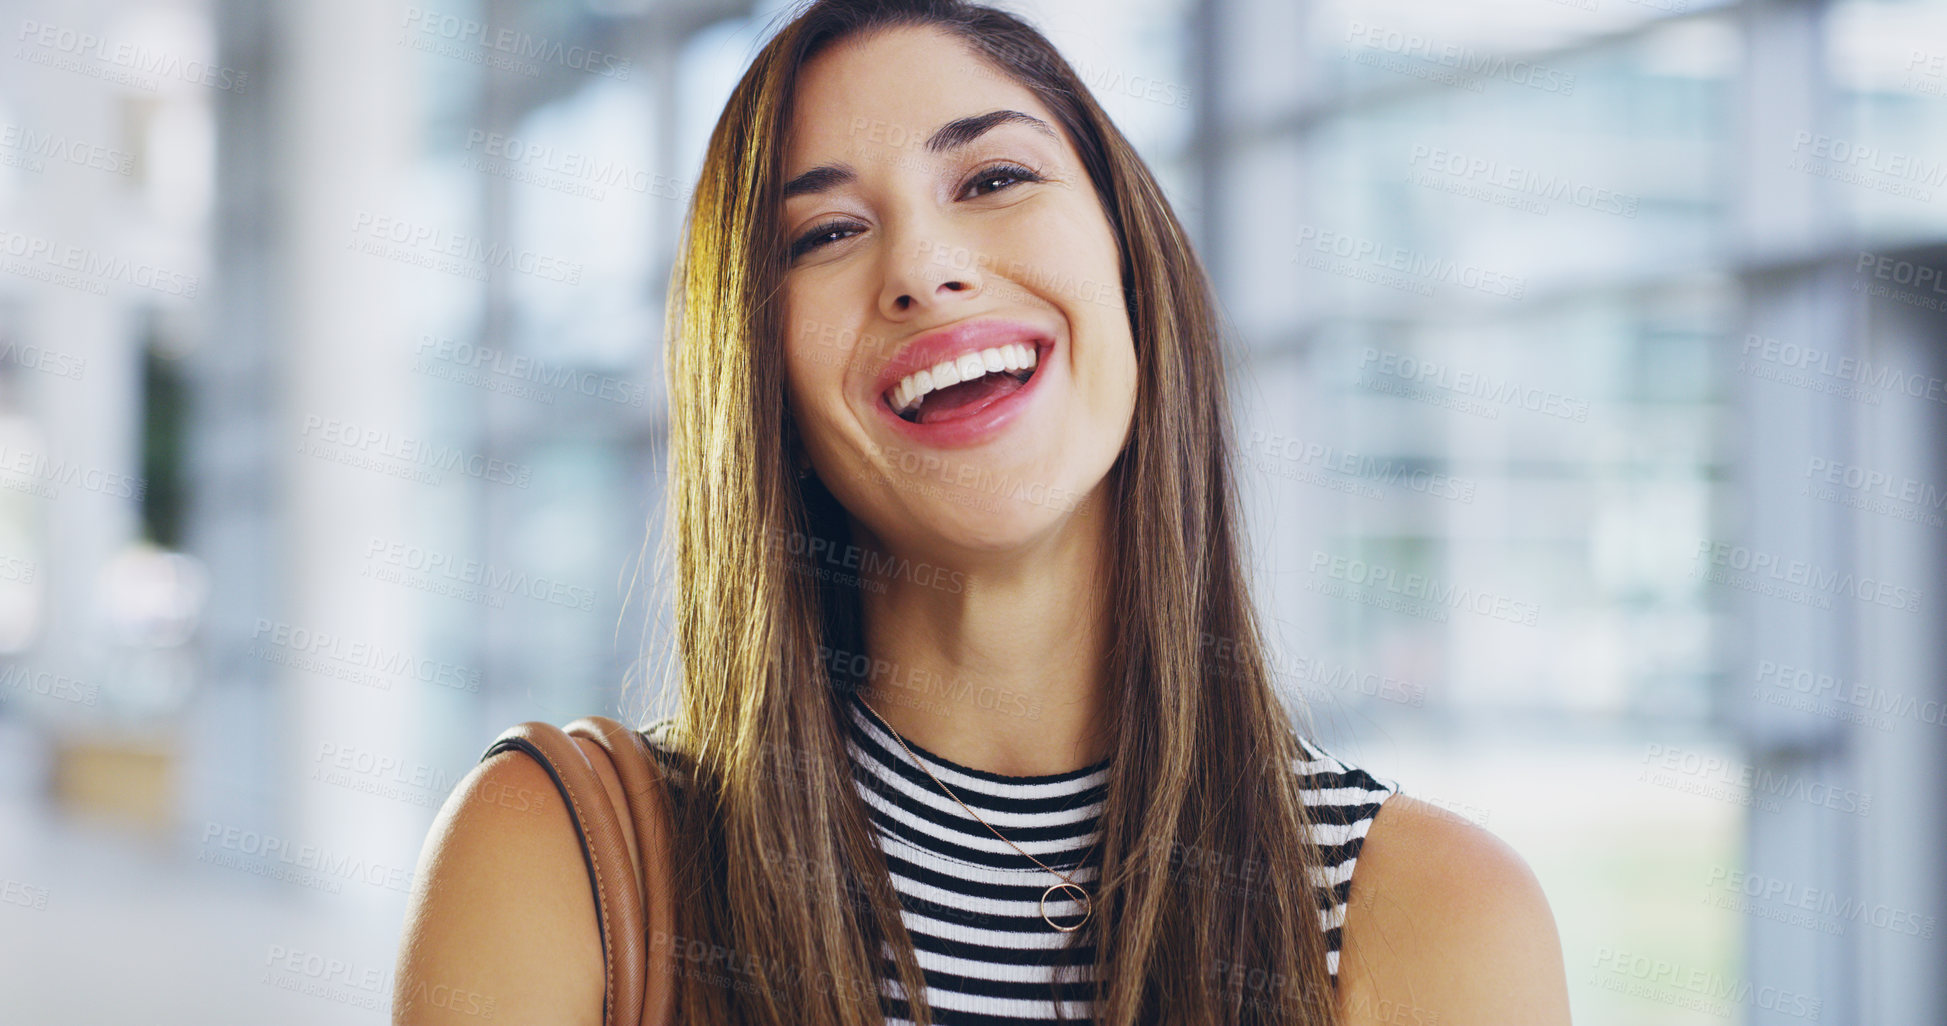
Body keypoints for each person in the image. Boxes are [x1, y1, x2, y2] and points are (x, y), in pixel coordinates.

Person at [392, 2, 1573, 1024]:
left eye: (995, 178)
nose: (926, 265)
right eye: (827, 234)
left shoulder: (1434, 919)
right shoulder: (560, 870)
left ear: (1129, 262)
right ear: (758, 380)